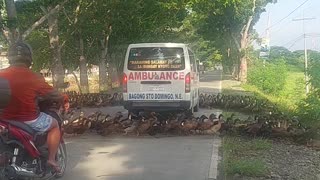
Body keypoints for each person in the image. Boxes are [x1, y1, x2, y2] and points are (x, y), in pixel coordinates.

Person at [0, 41, 64, 172]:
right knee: (54, 125)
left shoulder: (1, 74)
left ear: (10, 57)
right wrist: (65, 98)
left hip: (4, 119)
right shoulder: (34, 77)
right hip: (28, 119)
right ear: (29, 57)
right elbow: (53, 94)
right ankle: (51, 159)